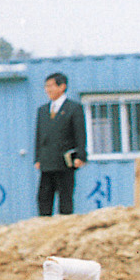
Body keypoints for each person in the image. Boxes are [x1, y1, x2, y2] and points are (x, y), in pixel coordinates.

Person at [32, 72, 86, 217]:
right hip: (47, 161)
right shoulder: (43, 110)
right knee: (44, 196)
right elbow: (39, 136)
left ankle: (65, 223)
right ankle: (44, 223)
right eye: (46, 86)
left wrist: (81, 156)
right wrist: (37, 158)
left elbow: (80, 134)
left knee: (65, 196)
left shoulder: (73, 108)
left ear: (62, 87)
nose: (47, 90)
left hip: (65, 161)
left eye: (50, 86)